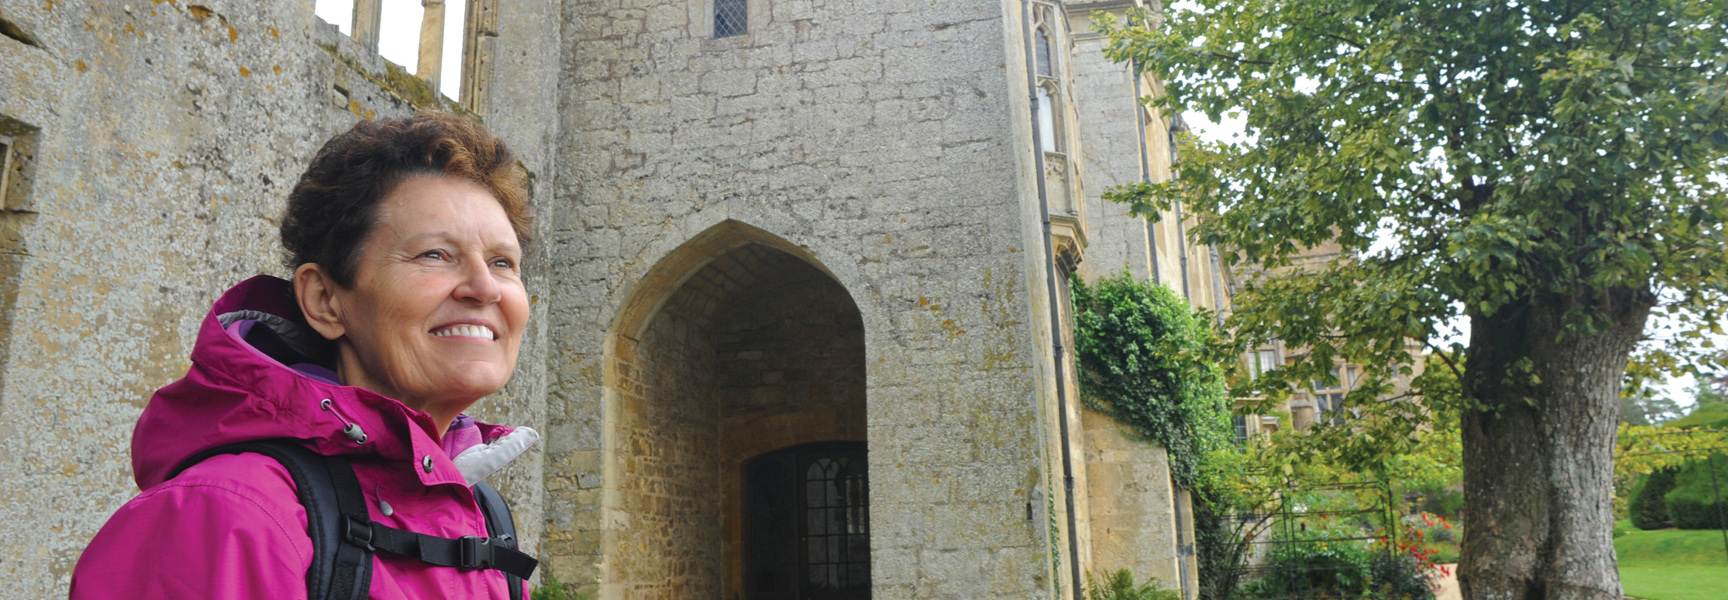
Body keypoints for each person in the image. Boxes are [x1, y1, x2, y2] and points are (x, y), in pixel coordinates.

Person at [70, 112, 540, 599]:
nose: (485, 288)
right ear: (325, 301)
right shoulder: (227, 517)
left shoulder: (482, 516)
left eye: (502, 263)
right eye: (434, 255)